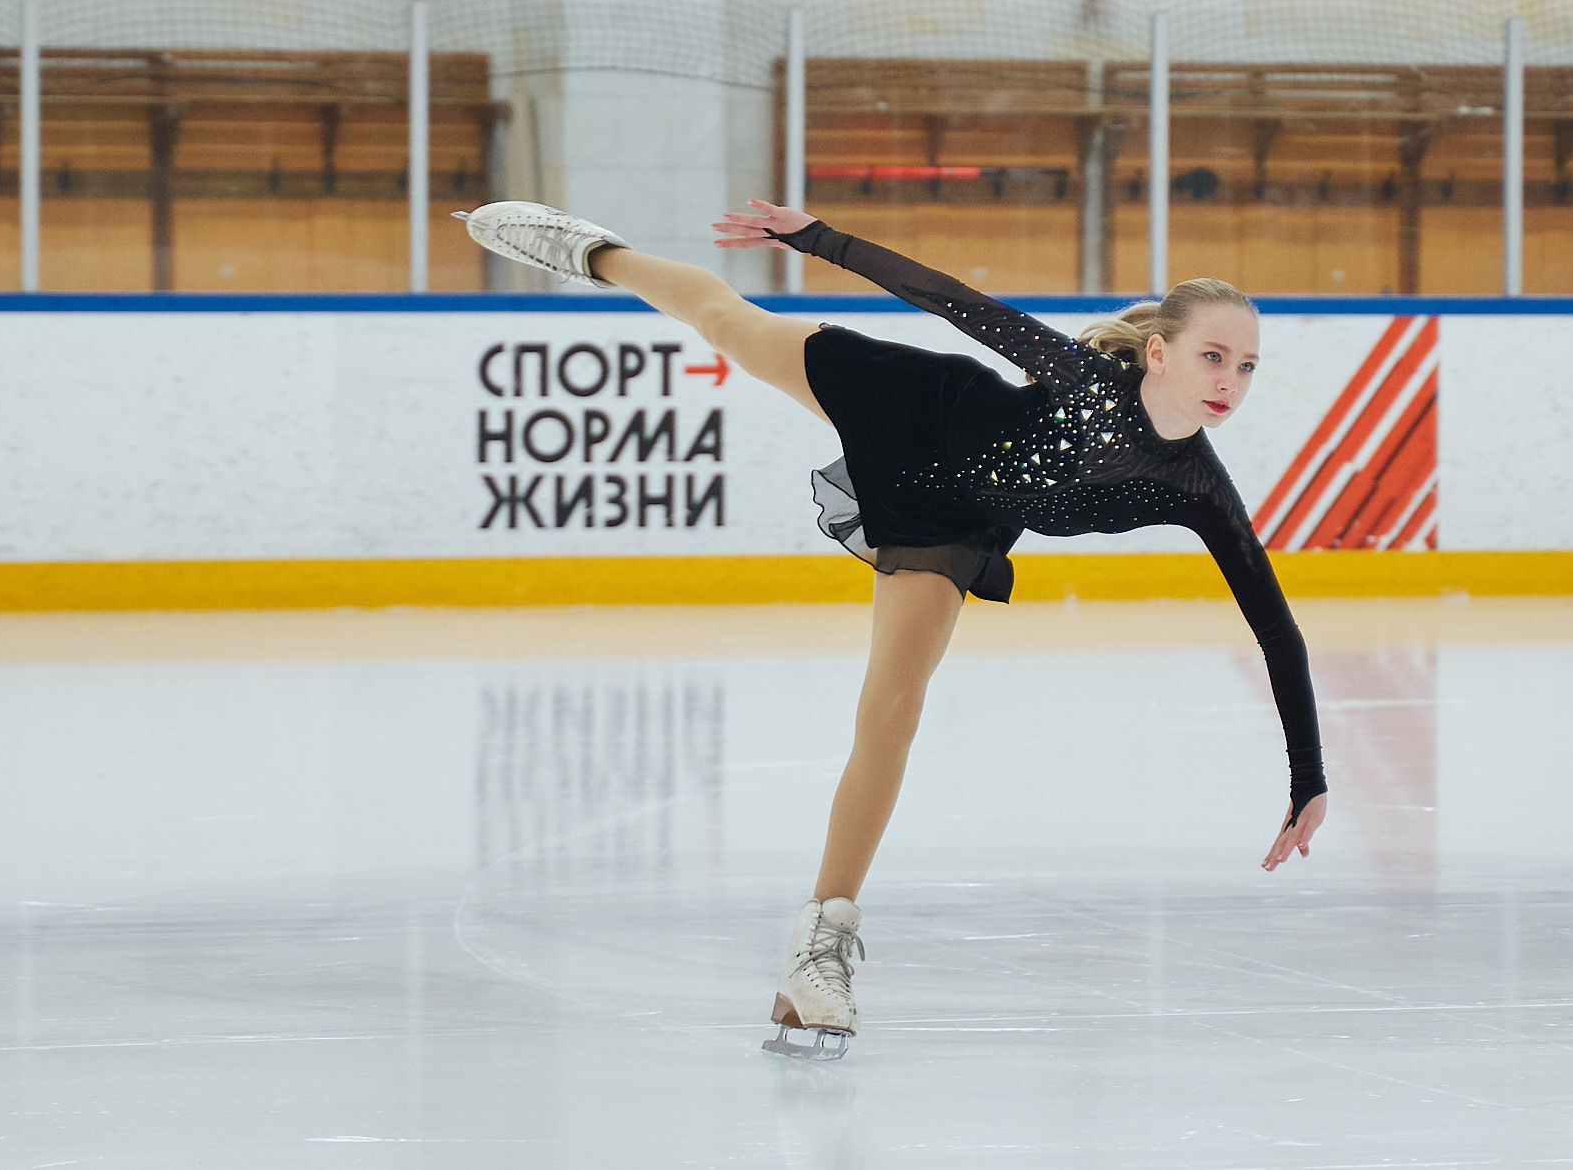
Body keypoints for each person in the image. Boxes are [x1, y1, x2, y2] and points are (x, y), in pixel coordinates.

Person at [455, 199, 1327, 1060]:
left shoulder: (1197, 488)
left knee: (894, 709)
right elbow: (949, 298)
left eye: (1247, 367)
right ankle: (596, 252)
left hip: (951, 521)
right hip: (913, 407)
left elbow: (1274, 627)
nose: (1229, 381)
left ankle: (818, 948)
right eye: (1215, 357)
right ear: (1162, 352)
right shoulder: (1083, 377)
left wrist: (1308, 778)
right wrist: (816, 238)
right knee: (728, 322)